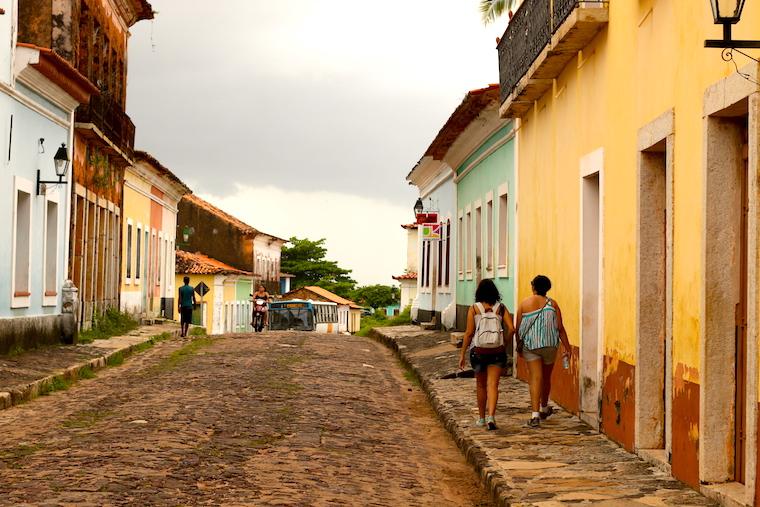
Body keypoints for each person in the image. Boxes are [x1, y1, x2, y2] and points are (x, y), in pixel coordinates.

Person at [458, 279, 515, 430]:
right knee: (493, 385)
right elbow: (512, 328)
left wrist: (462, 353)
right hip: (497, 351)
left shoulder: (474, 308)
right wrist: (505, 344)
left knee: (481, 385)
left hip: (479, 351)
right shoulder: (501, 308)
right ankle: (491, 416)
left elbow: (469, 333)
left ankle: (482, 418)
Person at [515, 275, 572, 428]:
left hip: (531, 346)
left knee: (535, 378)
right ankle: (544, 407)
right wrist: (567, 346)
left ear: (533, 287)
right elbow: (560, 328)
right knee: (546, 377)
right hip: (549, 345)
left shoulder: (524, 304)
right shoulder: (553, 304)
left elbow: (518, 329)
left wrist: (518, 346)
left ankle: (534, 415)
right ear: (547, 288)